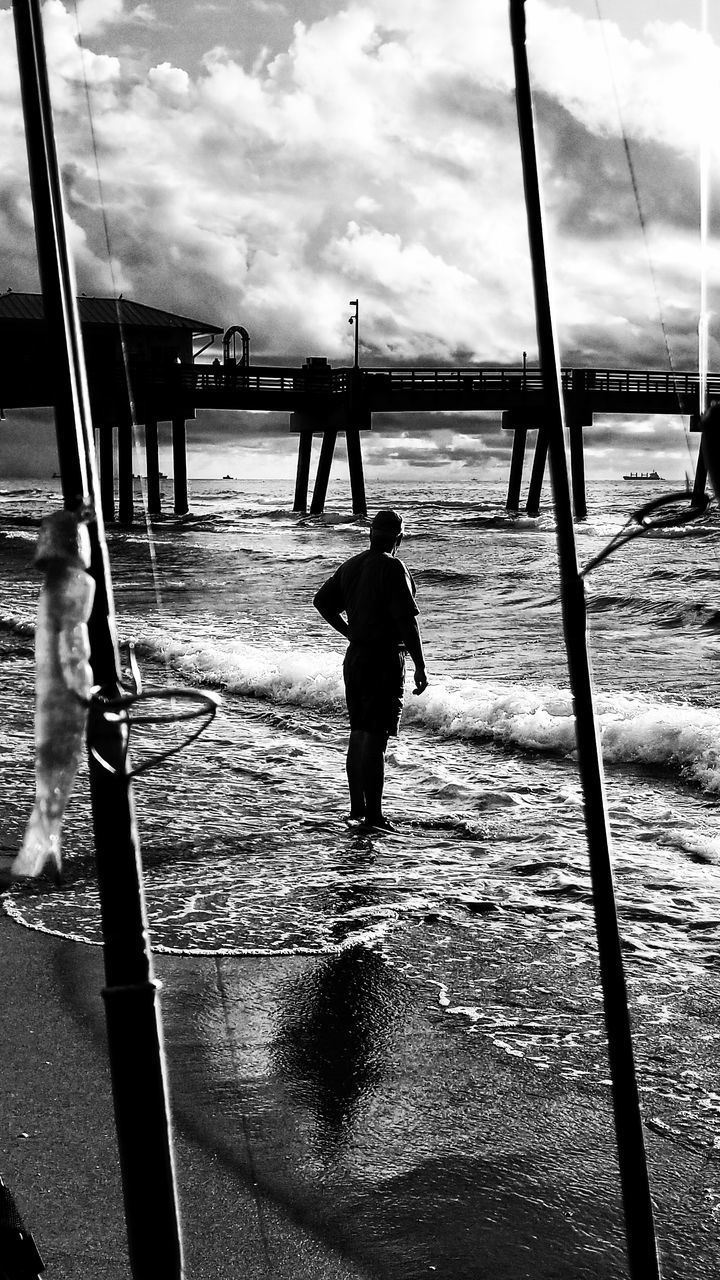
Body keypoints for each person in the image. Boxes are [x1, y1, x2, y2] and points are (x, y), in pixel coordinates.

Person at [313, 508, 428, 830]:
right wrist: (420, 665)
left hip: (357, 657)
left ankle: (357, 809)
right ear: (400, 538)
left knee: (359, 734)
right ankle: (374, 817)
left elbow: (321, 601)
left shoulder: (352, 565)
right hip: (383, 659)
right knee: (375, 739)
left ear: (371, 534)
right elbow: (406, 621)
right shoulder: (393, 566)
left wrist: (351, 632)